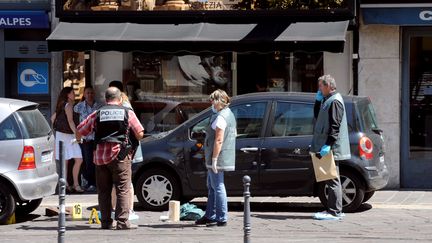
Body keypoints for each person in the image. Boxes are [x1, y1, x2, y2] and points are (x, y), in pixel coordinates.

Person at [77, 87, 144, 230]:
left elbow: (80, 130)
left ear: (106, 99)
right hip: (120, 156)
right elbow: (140, 133)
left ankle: (106, 222)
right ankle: (122, 222)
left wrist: (79, 141)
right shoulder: (127, 112)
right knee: (123, 189)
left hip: (100, 158)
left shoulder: (97, 113)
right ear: (120, 99)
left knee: (103, 190)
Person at [311, 74, 351, 220]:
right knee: (330, 178)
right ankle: (333, 210)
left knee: (332, 178)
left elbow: (335, 125)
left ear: (328, 86)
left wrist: (328, 144)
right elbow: (317, 116)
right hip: (326, 145)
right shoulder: (327, 100)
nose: (319, 89)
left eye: (321, 86)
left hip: (331, 147)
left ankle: (334, 211)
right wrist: (317, 102)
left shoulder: (335, 101)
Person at [195, 89, 236, 227]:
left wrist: (214, 160)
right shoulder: (226, 113)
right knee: (212, 187)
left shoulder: (221, 117)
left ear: (219, 102)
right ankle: (210, 215)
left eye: (213, 100)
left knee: (217, 186)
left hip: (218, 156)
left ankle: (221, 217)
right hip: (218, 155)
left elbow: (219, 140)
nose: (211, 102)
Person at [108, 80, 140, 221]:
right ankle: (117, 209)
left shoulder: (125, 107)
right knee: (121, 181)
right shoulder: (123, 105)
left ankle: (128, 209)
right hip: (123, 147)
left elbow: (138, 131)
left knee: (125, 182)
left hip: (126, 148)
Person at [51, 86, 84, 193]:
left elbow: (52, 119)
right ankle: (75, 184)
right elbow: (70, 121)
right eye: (72, 93)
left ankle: (67, 185)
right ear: (68, 95)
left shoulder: (61, 105)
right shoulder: (68, 105)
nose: (74, 95)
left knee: (66, 161)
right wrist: (77, 135)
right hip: (68, 136)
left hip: (62, 135)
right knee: (78, 159)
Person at [74, 86, 102, 192]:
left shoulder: (99, 106)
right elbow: (74, 120)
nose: (89, 95)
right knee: (87, 162)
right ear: (84, 94)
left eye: (91, 93)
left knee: (97, 161)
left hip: (96, 138)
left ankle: (96, 182)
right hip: (85, 138)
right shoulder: (79, 106)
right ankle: (89, 183)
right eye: (87, 93)